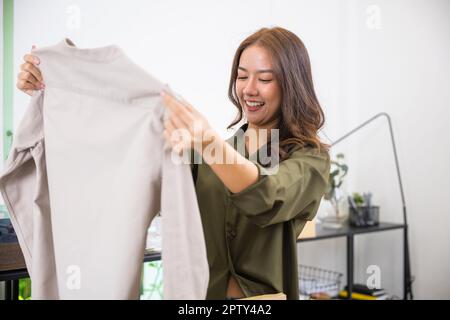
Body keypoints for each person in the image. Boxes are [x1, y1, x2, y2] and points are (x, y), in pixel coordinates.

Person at [17, 27, 330, 300]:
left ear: (290, 85)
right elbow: (134, 161)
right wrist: (59, 88)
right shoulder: (215, 152)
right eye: (241, 76)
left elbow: (269, 194)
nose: (249, 89)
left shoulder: (309, 160)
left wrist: (207, 142)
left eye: (264, 79)